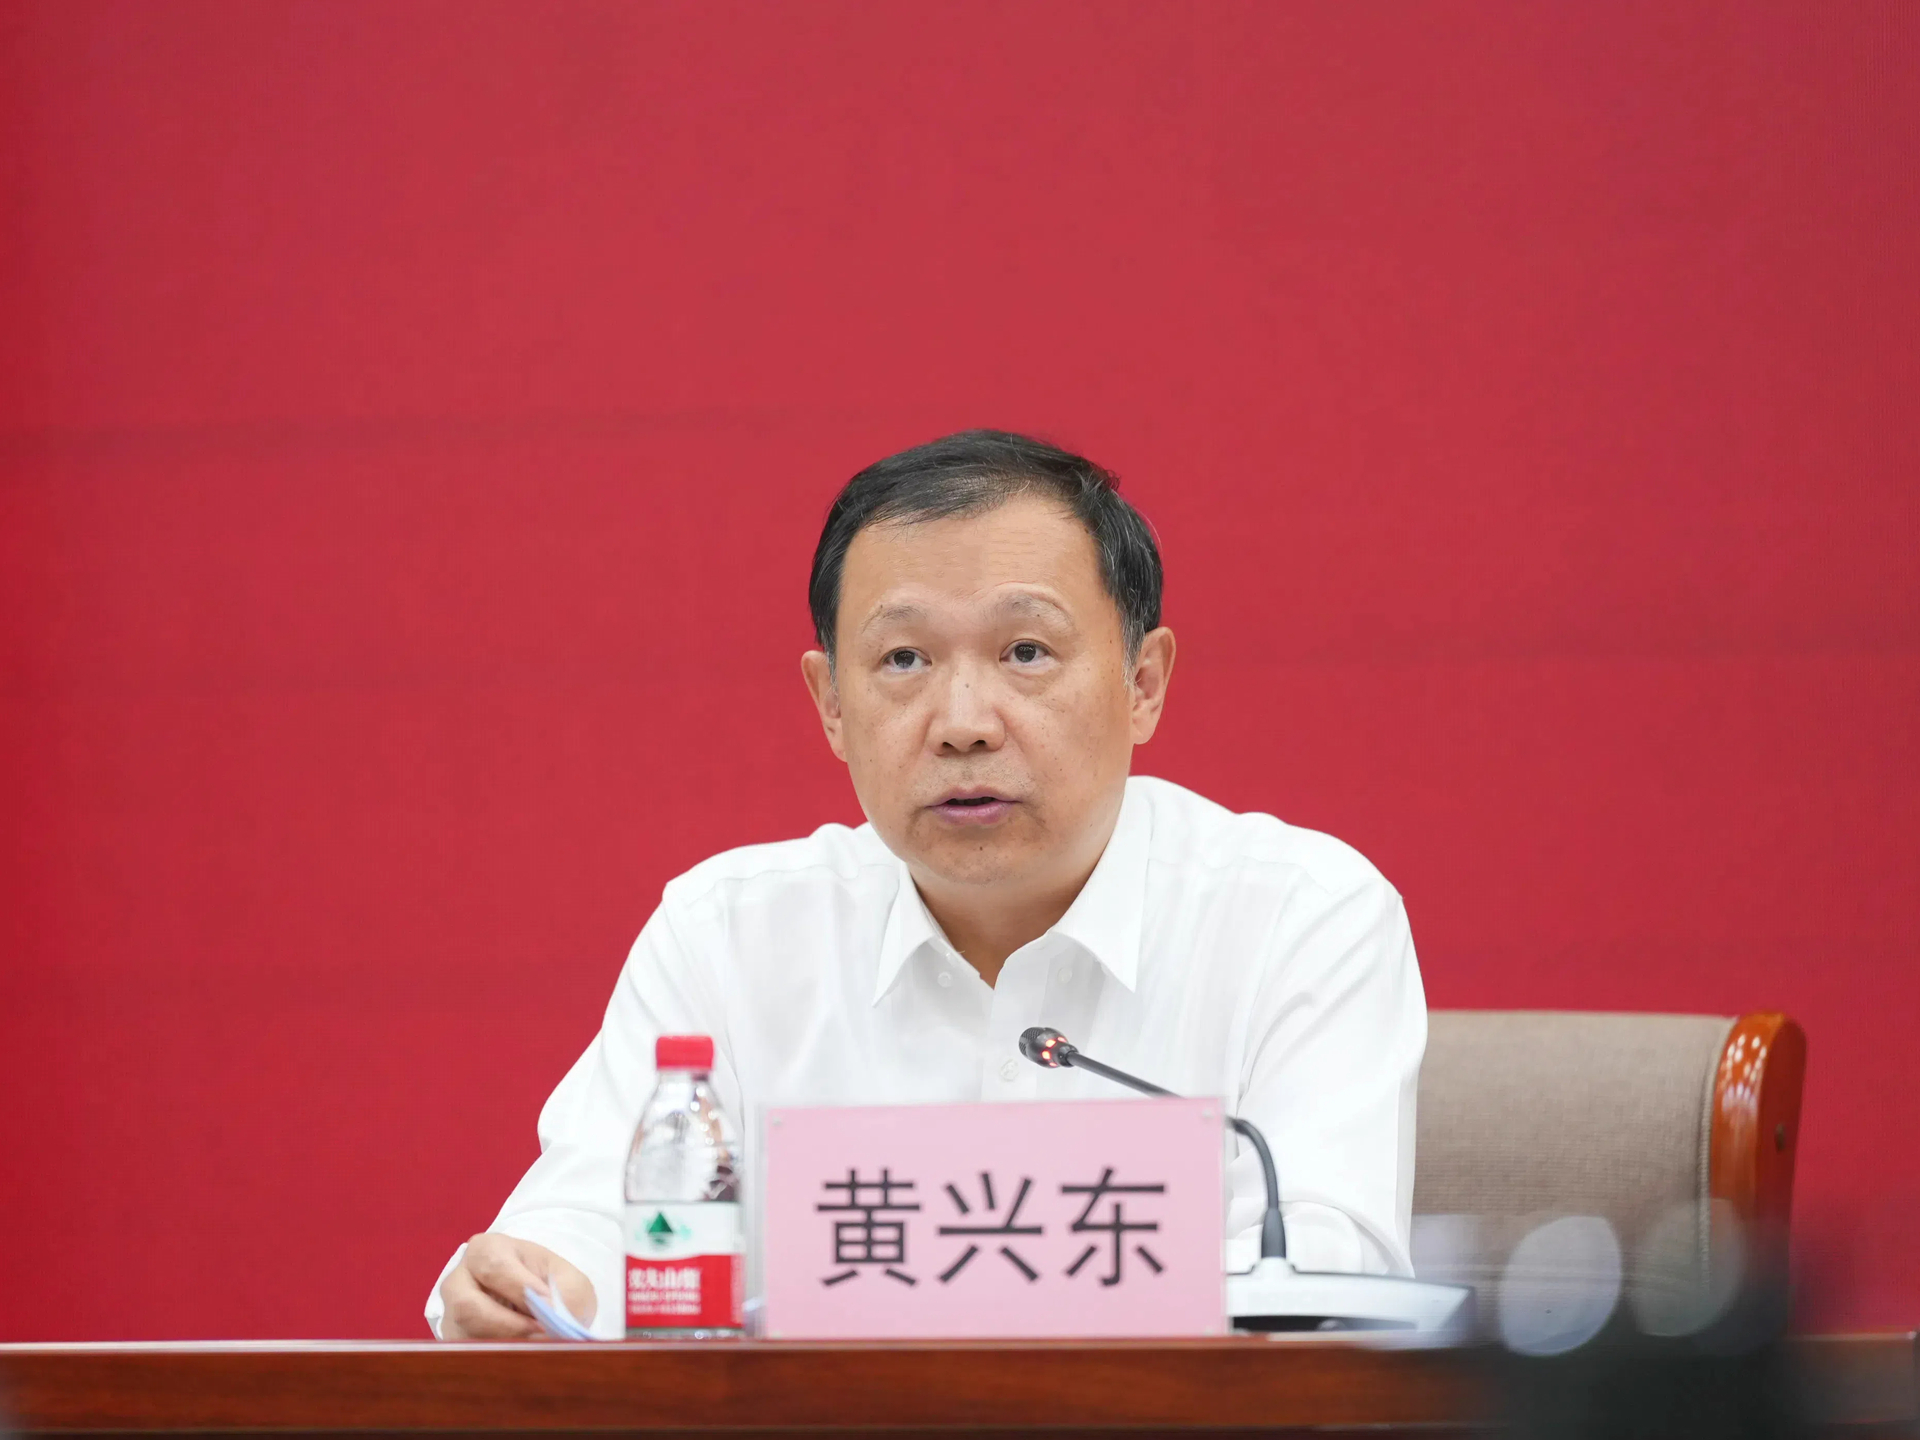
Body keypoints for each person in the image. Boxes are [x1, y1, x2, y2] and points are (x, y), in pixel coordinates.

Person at [428, 430, 1426, 1339]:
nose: (963, 723)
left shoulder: (1302, 918)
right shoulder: (726, 935)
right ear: (831, 704)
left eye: (1026, 652)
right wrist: (536, 1287)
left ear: (1143, 683)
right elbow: (588, 1223)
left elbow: (1322, 1283)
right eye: (903, 659)